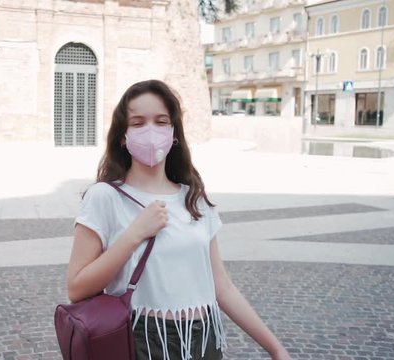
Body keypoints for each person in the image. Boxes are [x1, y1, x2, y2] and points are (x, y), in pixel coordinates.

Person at [66, 80, 292, 360]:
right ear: (123, 136)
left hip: (205, 337)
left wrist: (276, 349)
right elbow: (77, 288)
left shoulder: (193, 199)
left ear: (173, 134)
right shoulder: (105, 197)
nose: (151, 131)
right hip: (144, 339)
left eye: (161, 122)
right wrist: (133, 235)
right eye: (138, 123)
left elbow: (222, 287)